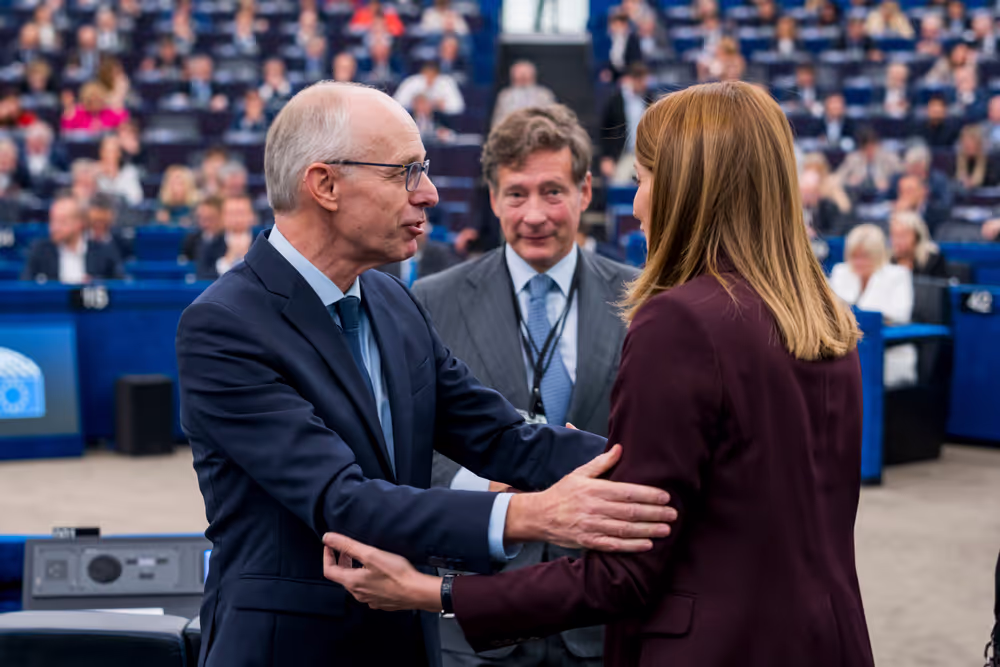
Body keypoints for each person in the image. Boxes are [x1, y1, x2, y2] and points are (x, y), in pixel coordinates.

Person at [322, 81, 875, 667]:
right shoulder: (822, 316)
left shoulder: (679, 321)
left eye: (642, 180)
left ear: (691, 187)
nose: (636, 204)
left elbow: (624, 575)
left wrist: (433, 593)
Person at [175, 81, 677, 667]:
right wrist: (530, 516)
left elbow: (500, 438)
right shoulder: (224, 326)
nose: (431, 194)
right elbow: (344, 500)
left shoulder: (392, 303)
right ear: (326, 185)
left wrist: (666, 466)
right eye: (405, 173)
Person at [414, 103, 638, 667]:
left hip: (605, 611)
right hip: (474, 617)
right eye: (516, 194)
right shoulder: (428, 302)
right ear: (492, 199)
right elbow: (409, 441)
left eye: (552, 191)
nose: (534, 214)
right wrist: (491, 498)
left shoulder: (646, 301)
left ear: (586, 191)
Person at [831, 224, 916, 387]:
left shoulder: (898, 275)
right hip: (845, 349)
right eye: (853, 256)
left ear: (878, 255)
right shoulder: (841, 271)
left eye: (864, 256)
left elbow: (900, 315)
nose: (858, 262)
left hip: (886, 352)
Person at [22, 195, 124, 284]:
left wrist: (96, 285)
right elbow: (26, 288)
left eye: (62, 221)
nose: (54, 227)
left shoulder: (103, 252)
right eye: (52, 220)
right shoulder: (40, 251)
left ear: (79, 223)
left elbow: (120, 287)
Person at [601, 63, 651, 185]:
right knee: (619, 186)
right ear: (633, 79)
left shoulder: (648, 100)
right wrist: (606, 157)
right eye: (643, 80)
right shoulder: (615, 100)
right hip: (622, 155)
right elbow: (605, 130)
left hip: (643, 156)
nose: (645, 84)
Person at [196, 193, 255, 280]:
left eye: (241, 213)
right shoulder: (209, 246)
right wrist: (227, 260)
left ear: (251, 216)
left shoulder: (264, 244)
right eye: (232, 214)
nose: (237, 219)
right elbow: (202, 277)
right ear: (223, 216)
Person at [836, 126, 902, 194]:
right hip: (858, 193)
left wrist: (889, 182)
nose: (870, 152)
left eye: (872, 147)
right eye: (866, 149)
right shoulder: (853, 158)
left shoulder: (888, 157)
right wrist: (849, 182)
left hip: (883, 193)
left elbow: (901, 173)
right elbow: (838, 177)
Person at [492, 61, 556, 129]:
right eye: (519, 73)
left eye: (525, 73)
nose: (522, 75)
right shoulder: (505, 95)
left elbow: (551, 118)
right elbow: (497, 120)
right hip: (511, 133)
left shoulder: (544, 94)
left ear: (533, 74)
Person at [394, 60, 465, 115]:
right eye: (427, 74)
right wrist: (413, 104)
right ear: (422, 73)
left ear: (437, 74)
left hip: (439, 121)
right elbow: (395, 105)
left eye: (433, 75)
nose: (429, 78)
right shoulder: (412, 82)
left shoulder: (446, 82)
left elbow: (458, 107)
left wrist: (441, 106)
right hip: (412, 119)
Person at [890, 211, 948, 277]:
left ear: (917, 237)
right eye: (895, 235)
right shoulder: (887, 260)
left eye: (903, 236)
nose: (897, 241)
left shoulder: (933, 260)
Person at [96, 134, 143, 206]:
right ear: (101, 152)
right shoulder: (93, 172)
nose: (109, 155)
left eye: (113, 151)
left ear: (119, 153)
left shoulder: (129, 172)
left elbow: (136, 199)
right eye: (107, 151)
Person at [955, 124, 999, 189]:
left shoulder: (991, 162)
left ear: (979, 144)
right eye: (965, 142)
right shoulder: (956, 161)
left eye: (972, 141)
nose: (968, 145)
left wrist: (972, 183)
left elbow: (993, 184)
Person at [181, 195, 225, 262]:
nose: (205, 224)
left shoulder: (228, 240)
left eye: (210, 218)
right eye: (200, 218)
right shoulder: (191, 240)